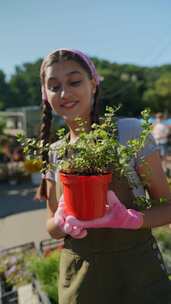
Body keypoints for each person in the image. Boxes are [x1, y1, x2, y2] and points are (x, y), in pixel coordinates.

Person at [36, 48, 171, 304]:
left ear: (94, 84)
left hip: (138, 276)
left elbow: (168, 207)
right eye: (54, 86)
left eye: (75, 82)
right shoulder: (54, 152)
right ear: (45, 95)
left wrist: (133, 220)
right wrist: (62, 222)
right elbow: (51, 226)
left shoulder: (130, 132)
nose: (64, 93)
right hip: (81, 281)